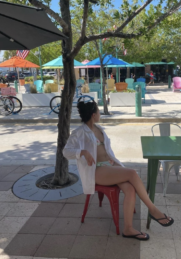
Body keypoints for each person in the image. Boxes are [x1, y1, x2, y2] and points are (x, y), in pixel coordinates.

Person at [63, 99, 174, 241]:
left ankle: (128, 229)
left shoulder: (99, 129)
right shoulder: (79, 132)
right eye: (98, 111)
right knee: (132, 173)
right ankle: (153, 210)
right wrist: (83, 152)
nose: (100, 114)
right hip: (96, 171)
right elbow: (66, 152)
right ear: (93, 114)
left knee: (130, 189)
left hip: (109, 167)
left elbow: (106, 150)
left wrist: (111, 161)